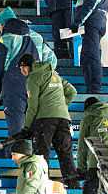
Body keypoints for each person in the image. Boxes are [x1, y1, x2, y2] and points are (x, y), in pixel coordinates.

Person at [0, 8, 55, 141]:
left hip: (14, 87)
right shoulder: (36, 37)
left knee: (17, 131)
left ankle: (18, 153)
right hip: (35, 86)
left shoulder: (5, 39)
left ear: (4, 24)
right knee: (33, 129)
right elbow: (52, 60)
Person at [19, 55, 80, 187]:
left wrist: (27, 127)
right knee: (65, 152)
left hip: (45, 120)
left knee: (42, 154)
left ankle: (42, 184)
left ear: (29, 66)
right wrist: (60, 106)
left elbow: (32, 105)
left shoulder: (33, 77)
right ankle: (73, 184)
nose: (22, 71)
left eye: (23, 67)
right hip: (63, 119)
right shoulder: (54, 74)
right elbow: (72, 91)